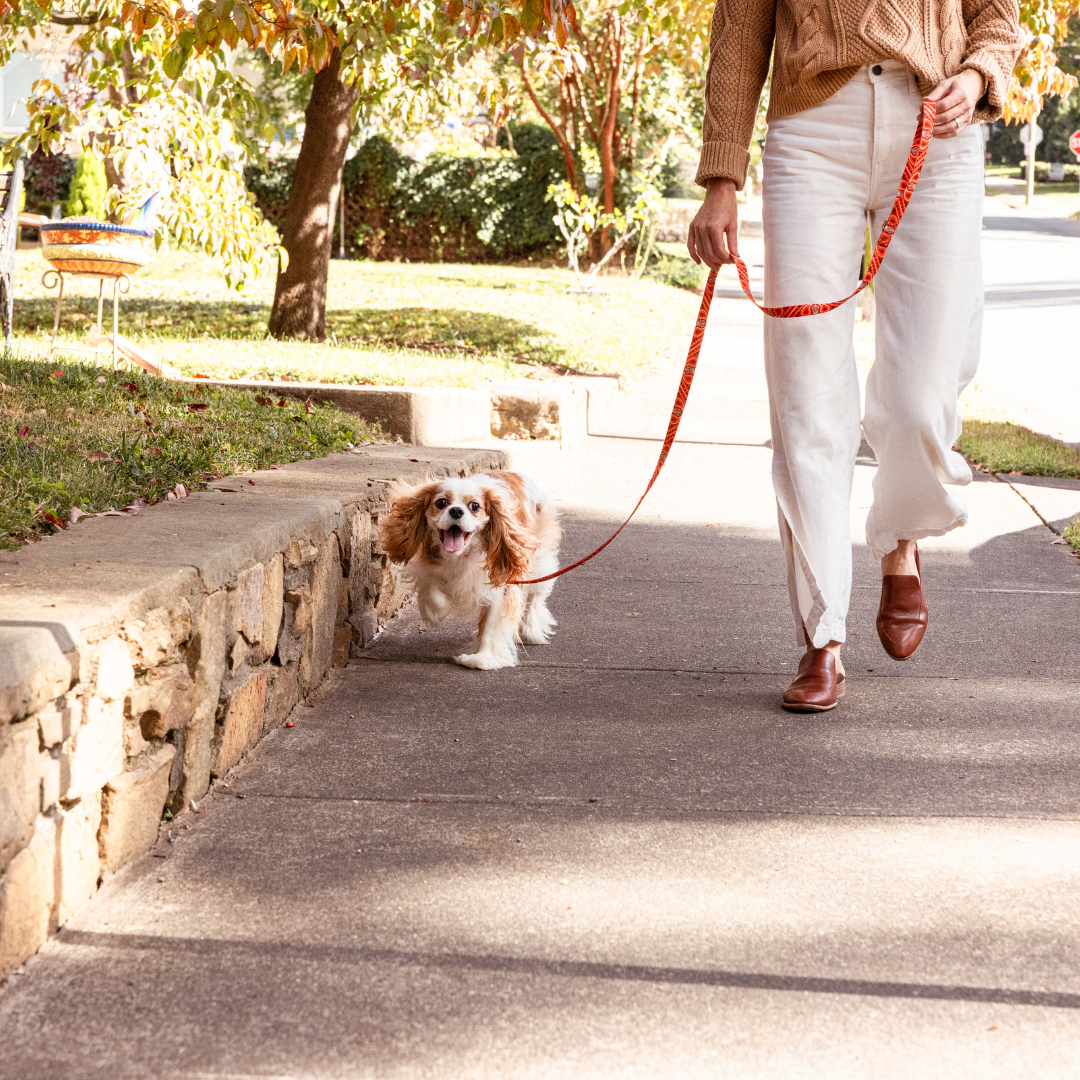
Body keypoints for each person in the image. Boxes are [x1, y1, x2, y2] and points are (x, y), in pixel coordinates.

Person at [687, 0, 1023, 711]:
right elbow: (740, 35)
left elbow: (997, 18)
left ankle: (901, 540)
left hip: (940, 128)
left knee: (920, 396)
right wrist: (722, 178)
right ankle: (822, 635)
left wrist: (977, 75)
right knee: (807, 392)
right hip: (813, 132)